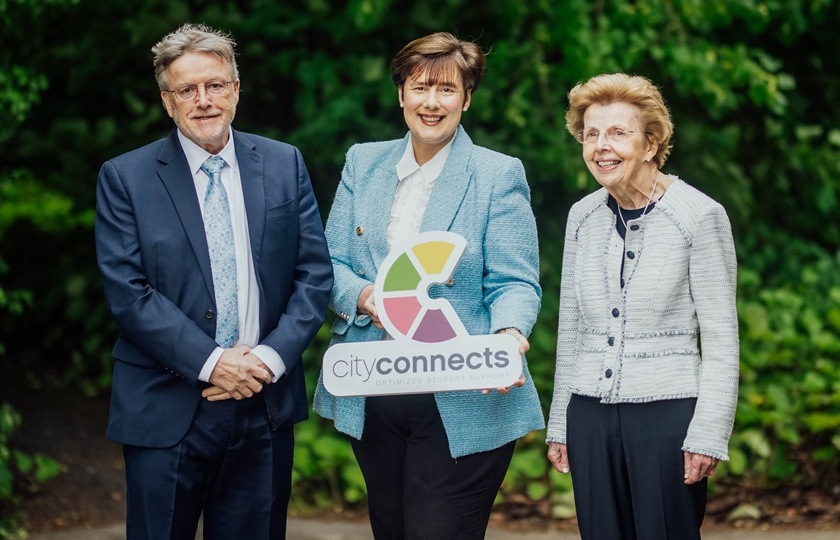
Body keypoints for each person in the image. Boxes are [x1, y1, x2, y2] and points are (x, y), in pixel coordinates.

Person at [94, 23, 333, 539]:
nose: (203, 100)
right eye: (187, 90)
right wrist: (213, 363)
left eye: (215, 85)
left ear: (236, 90)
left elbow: (313, 275)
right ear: (167, 101)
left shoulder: (283, 162)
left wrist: (267, 361)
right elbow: (128, 293)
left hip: (263, 401)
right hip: (167, 405)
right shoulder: (125, 178)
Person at [313, 32, 544, 539]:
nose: (432, 102)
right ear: (401, 94)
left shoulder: (497, 174)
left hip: (462, 394)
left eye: (446, 89)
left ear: (466, 97)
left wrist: (508, 334)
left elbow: (515, 280)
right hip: (374, 387)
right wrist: (365, 296)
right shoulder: (363, 163)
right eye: (420, 88)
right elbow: (328, 263)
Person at [545, 72, 739, 539]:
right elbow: (570, 329)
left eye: (618, 133)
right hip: (588, 415)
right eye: (591, 134)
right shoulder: (582, 217)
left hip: (667, 416)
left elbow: (720, 339)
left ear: (651, 144)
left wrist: (709, 432)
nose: (601, 146)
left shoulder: (699, 216)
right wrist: (560, 422)